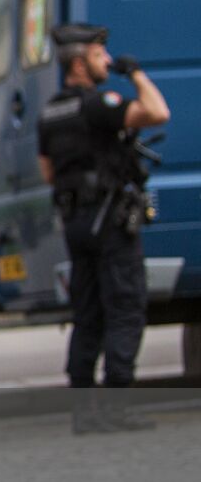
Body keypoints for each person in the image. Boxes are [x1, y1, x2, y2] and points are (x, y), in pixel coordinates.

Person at [37, 23, 170, 431]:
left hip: (76, 222)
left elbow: (48, 173)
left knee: (88, 313)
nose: (107, 62)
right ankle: (116, 406)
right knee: (125, 308)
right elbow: (157, 112)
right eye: (99, 56)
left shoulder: (50, 112)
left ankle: (82, 411)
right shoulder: (99, 105)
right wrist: (136, 75)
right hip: (109, 220)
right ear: (80, 62)